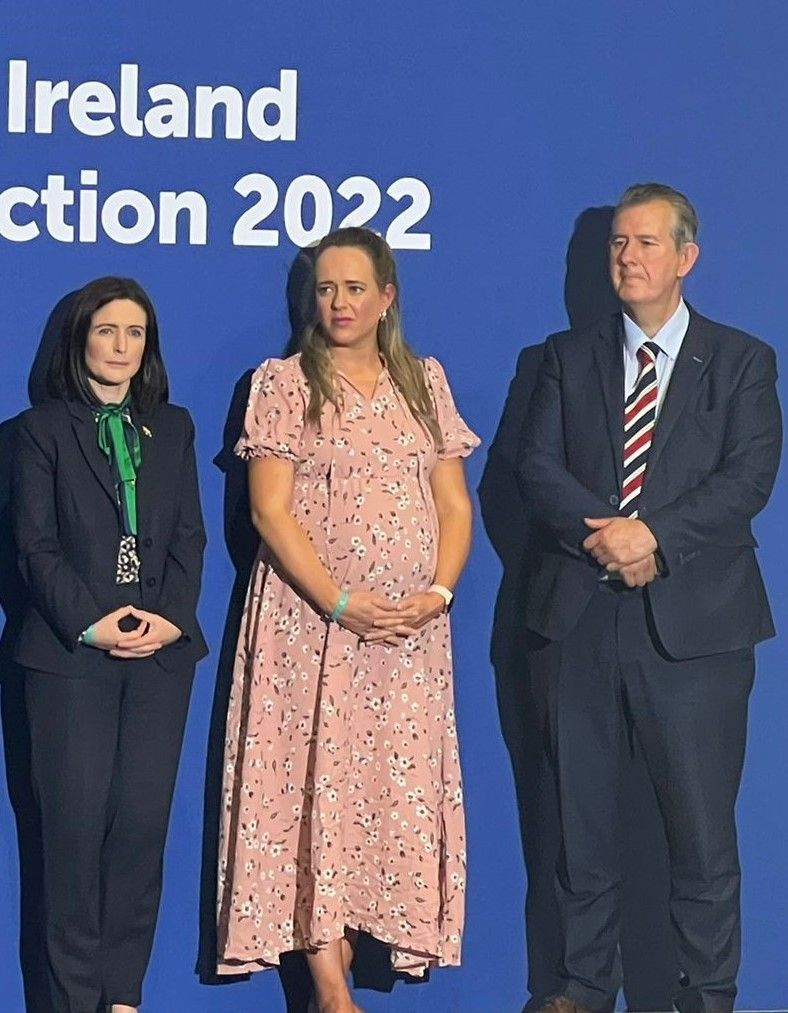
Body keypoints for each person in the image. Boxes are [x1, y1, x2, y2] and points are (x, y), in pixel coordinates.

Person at [517, 183, 782, 1013]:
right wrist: (609, 535)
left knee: (701, 839)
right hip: (582, 620)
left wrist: (654, 536)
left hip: (696, 634)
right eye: (618, 245)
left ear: (685, 258)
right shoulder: (563, 357)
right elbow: (535, 466)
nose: (628, 258)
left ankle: (706, 995)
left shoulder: (742, 360)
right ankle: (584, 987)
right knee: (582, 829)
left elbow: (748, 477)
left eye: (645, 243)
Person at [216, 227, 479, 1013]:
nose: (339, 303)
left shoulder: (425, 382)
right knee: (313, 790)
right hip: (310, 626)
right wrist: (338, 599)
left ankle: (368, 948)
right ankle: (331, 992)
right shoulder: (284, 382)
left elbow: (455, 503)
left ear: (387, 298)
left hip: (408, 637)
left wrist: (437, 593)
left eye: (355, 288)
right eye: (326, 289)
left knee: (384, 793)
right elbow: (270, 509)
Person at [13, 276, 207, 1013]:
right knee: (71, 838)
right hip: (67, 659)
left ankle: (123, 996)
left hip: (160, 658)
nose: (121, 346)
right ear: (79, 340)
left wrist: (169, 617)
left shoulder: (175, 428)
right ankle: (68, 1002)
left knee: (138, 833)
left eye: (135, 333)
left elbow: (189, 536)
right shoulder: (38, 431)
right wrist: (94, 622)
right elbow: (34, 548)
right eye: (107, 331)